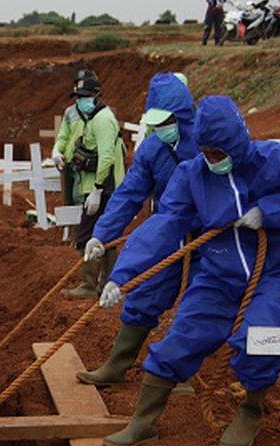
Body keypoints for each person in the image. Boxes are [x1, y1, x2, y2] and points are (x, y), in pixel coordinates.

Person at [100, 96, 280, 446]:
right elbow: (165, 223)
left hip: (275, 270)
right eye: (206, 152)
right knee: (183, 335)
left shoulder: (279, 162)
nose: (212, 160)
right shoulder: (192, 175)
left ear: (236, 142)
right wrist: (123, 275)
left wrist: (268, 211)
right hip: (220, 270)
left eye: (218, 152)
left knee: (257, 335)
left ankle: (251, 409)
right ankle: (143, 422)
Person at [77, 72, 200, 386]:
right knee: (147, 292)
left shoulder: (206, 141)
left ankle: (180, 376)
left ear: (182, 115)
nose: (160, 129)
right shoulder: (152, 149)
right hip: (167, 232)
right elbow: (130, 194)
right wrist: (101, 235)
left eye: (166, 122)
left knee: (198, 303)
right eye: (155, 123)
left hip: (208, 235)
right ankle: (116, 367)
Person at [59, 75, 125, 300]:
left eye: (84, 96)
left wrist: (97, 189)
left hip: (104, 187)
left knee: (90, 233)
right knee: (102, 232)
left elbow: (106, 157)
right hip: (95, 185)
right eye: (78, 97)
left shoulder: (103, 120)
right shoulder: (92, 117)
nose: (80, 101)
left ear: (96, 96)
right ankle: (101, 283)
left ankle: (90, 285)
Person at [48, 68, 97, 207]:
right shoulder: (70, 112)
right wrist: (56, 151)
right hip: (71, 167)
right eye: (79, 96)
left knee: (85, 207)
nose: (82, 99)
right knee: (71, 206)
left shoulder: (102, 113)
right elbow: (63, 137)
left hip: (90, 169)